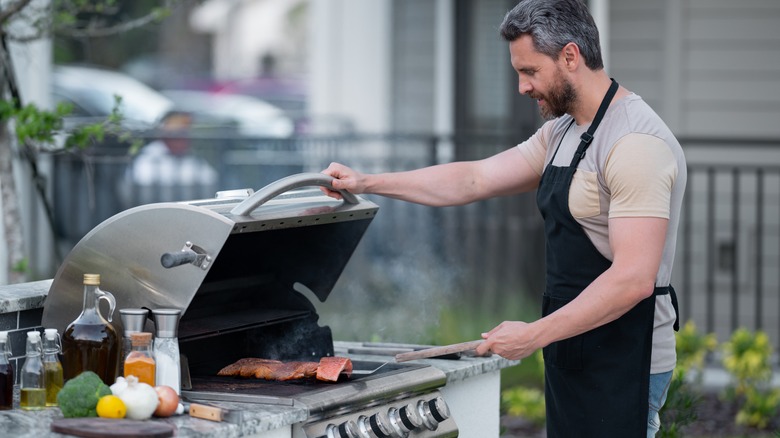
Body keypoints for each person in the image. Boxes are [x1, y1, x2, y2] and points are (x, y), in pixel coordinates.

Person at [321, 1, 685, 437]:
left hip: (627, 356)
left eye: (530, 71)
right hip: (574, 345)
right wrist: (367, 181)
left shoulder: (635, 142)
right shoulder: (562, 132)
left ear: (571, 56)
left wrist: (534, 334)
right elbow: (474, 179)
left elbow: (633, 279)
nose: (521, 87)